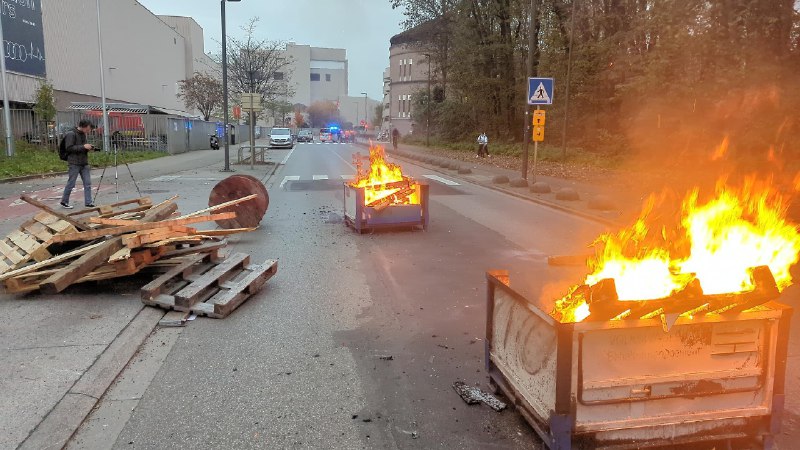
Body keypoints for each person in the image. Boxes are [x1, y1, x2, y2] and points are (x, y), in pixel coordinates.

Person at [60, 119, 97, 209]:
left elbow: (82, 147)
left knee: (87, 183)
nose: (89, 131)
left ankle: (88, 202)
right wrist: (83, 146)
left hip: (84, 162)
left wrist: (88, 148)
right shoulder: (71, 134)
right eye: (88, 129)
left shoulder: (83, 134)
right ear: (83, 126)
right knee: (71, 183)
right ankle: (64, 201)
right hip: (74, 162)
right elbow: (69, 148)